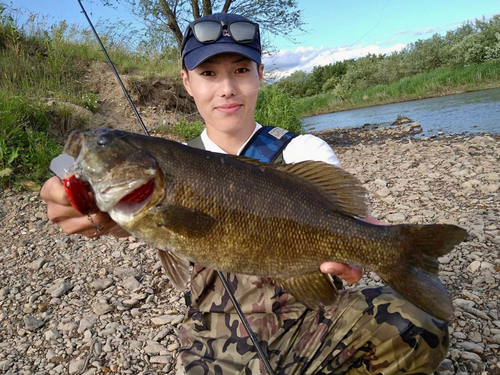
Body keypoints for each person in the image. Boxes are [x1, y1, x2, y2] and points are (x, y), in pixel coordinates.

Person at [41, 12, 449, 375]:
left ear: (259, 74)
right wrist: (90, 216)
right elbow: (123, 224)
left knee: (416, 325)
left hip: (308, 325)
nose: (226, 88)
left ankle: (398, 258)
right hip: (214, 347)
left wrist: (373, 244)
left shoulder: (303, 151)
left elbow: (338, 218)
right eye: (208, 74)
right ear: (186, 82)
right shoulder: (170, 169)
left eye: (240, 70)